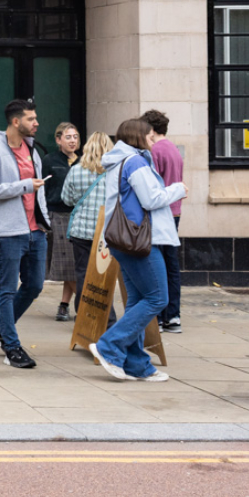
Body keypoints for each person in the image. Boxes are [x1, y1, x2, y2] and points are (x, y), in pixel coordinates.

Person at [89, 118, 187, 383]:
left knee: (137, 300)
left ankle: (137, 365)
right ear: (139, 137)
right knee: (157, 298)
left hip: (125, 240)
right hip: (142, 241)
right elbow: (152, 199)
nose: (153, 139)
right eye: (150, 135)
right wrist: (178, 189)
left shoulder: (119, 160)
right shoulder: (135, 162)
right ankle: (109, 346)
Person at [0, 98, 50, 369]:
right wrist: (22, 186)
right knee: (6, 290)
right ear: (16, 121)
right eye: (31, 119)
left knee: (34, 285)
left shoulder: (33, 151)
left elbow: (35, 189)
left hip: (35, 231)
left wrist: (44, 221)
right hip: (7, 232)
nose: (36, 123)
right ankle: (11, 346)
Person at [61, 131, 115, 317]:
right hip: (106, 233)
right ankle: (103, 316)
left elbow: (66, 199)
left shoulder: (76, 170)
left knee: (82, 273)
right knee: (103, 276)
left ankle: (83, 316)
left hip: (81, 231)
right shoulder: (114, 172)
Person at [142, 109, 185, 333]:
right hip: (175, 211)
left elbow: (152, 184)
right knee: (171, 265)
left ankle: (158, 316)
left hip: (160, 212)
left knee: (157, 265)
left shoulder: (155, 150)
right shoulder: (174, 149)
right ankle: (173, 315)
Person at [40, 122, 80, 321]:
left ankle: (64, 305)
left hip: (80, 215)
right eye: (68, 137)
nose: (72, 140)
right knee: (66, 263)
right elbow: (42, 188)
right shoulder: (50, 160)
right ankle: (83, 302)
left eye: (75, 137)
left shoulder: (83, 161)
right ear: (58, 140)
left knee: (73, 264)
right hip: (59, 215)